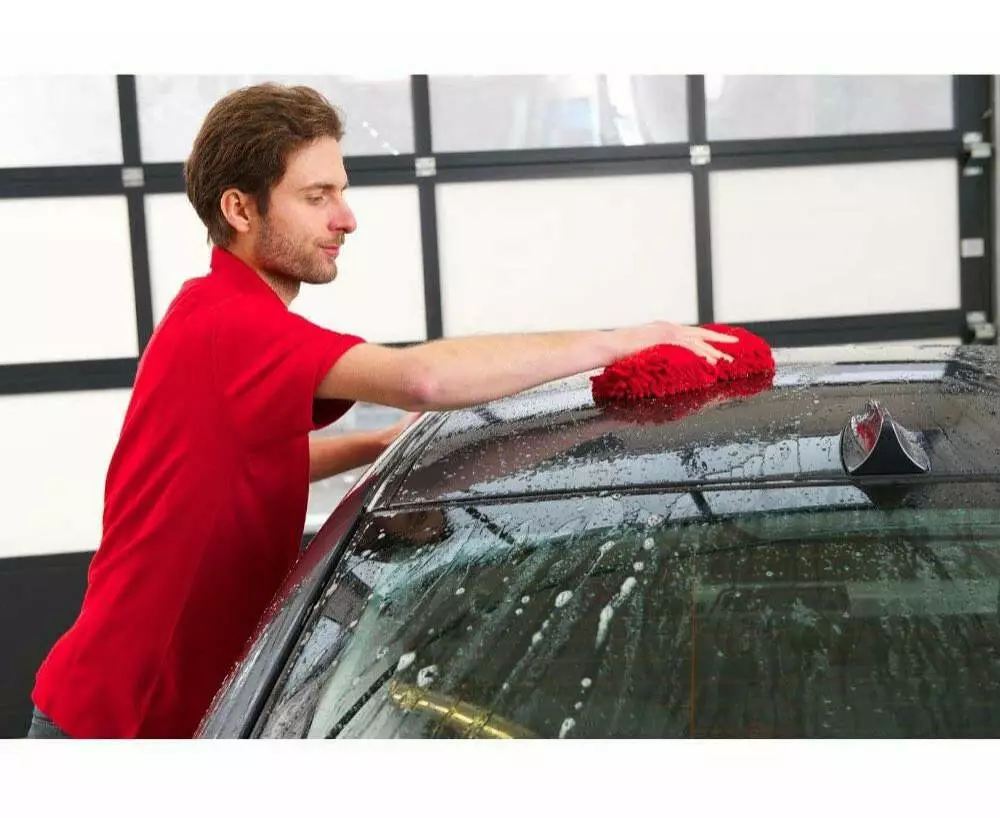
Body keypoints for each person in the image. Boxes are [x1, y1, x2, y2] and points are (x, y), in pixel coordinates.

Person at [27, 83, 736, 739]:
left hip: (156, 714)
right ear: (240, 209)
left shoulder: (207, 313)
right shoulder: (233, 327)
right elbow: (421, 378)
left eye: (342, 191)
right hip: (118, 726)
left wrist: (376, 447)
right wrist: (618, 341)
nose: (347, 218)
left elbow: (240, 464)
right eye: (317, 196)